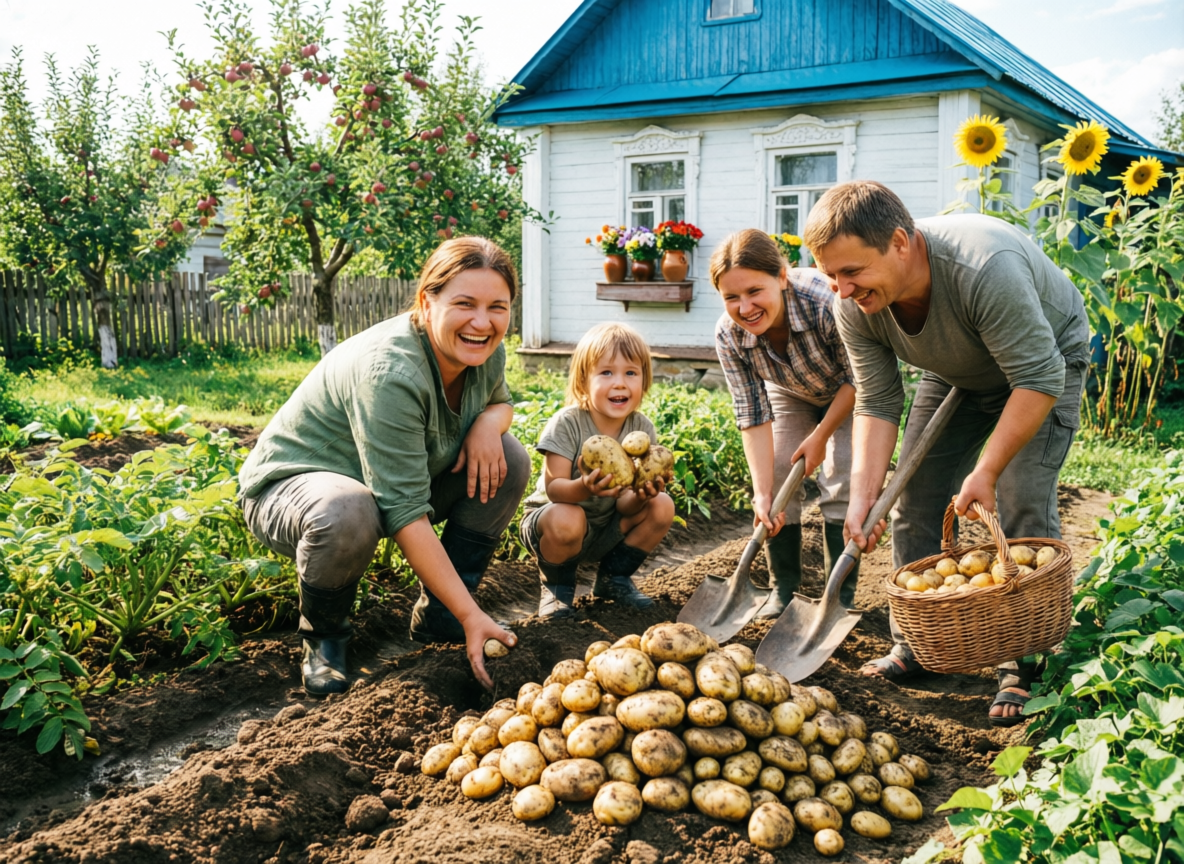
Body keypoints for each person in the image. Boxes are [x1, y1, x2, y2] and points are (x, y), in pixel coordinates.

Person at [803, 180, 1088, 726]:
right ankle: (918, 642)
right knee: (915, 495)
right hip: (956, 370)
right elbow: (879, 400)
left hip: (1043, 367)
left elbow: (1037, 375)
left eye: (852, 272)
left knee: (1019, 496)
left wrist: (985, 469)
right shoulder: (854, 303)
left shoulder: (985, 268)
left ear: (901, 243)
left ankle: (1023, 659)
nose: (840, 289)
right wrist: (865, 498)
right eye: (831, 274)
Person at [238, 237, 531, 696]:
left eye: (498, 306)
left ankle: (441, 615)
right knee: (348, 508)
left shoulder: (484, 348)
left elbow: (500, 403)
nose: (482, 321)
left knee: (509, 457)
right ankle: (325, 639)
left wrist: (488, 426)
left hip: (383, 484)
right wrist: (474, 616)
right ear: (426, 302)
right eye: (464, 303)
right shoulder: (391, 372)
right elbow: (404, 511)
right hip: (293, 490)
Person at [710, 229, 859, 618]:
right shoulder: (729, 335)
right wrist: (762, 493)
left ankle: (837, 598)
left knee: (842, 474)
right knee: (776, 476)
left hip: (852, 391)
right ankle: (783, 589)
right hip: (791, 391)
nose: (744, 307)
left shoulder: (825, 304)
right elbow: (752, 413)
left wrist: (821, 436)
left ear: (781, 277)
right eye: (731, 297)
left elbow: (859, 380)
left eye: (754, 291)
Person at [520, 323, 675, 618]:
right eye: (606, 372)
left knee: (662, 505)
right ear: (583, 380)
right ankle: (556, 589)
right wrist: (585, 488)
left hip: (604, 530)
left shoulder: (642, 429)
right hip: (552, 525)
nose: (620, 383)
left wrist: (642, 495)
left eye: (631, 373)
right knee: (569, 514)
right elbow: (554, 490)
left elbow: (627, 507)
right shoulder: (567, 423)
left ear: (645, 381)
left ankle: (613, 580)